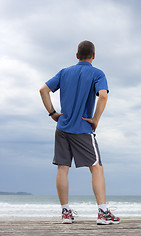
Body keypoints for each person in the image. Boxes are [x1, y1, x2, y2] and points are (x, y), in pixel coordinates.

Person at [39, 40, 120, 225]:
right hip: (83, 128)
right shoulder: (97, 73)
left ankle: (66, 213)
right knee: (96, 167)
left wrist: (52, 113)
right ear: (93, 56)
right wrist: (95, 119)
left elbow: (43, 90)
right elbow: (104, 96)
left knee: (62, 168)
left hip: (62, 127)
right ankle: (102, 213)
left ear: (77, 56)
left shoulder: (64, 72)